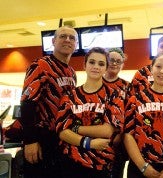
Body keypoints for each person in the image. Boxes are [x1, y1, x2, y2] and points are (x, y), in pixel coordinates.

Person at [19, 25, 78, 178]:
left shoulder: (71, 72)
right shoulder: (40, 66)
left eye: (72, 38)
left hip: (62, 138)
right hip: (41, 138)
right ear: (53, 41)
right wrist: (30, 140)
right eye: (63, 36)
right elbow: (27, 104)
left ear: (76, 44)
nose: (67, 40)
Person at [56, 47, 124, 178]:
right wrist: (89, 143)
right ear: (84, 65)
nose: (96, 67)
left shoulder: (114, 95)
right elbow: (62, 131)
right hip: (70, 162)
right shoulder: (70, 96)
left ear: (105, 68)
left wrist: (74, 128)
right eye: (92, 62)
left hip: (100, 163)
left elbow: (107, 131)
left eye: (101, 64)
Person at [103, 47, 129, 178]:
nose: (114, 63)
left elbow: (131, 115)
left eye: (118, 61)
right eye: (111, 60)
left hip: (119, 142)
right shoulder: (96, 82)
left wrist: (121, 134)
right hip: (97, 140)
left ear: (122, 65)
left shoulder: (128, 87)